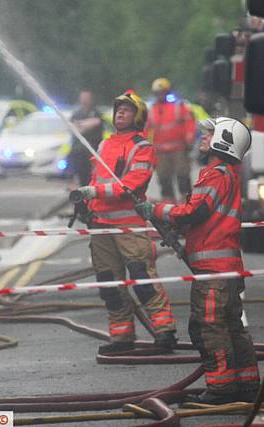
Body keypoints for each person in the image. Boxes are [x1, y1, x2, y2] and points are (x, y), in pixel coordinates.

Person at [135, 117, 260, 404]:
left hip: (212, 274)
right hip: (226, 270)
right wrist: (180, 228)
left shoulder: (215, 173)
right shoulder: (229, 173)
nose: (201, 138)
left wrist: (156, 210)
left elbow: (197, 211)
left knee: (208, 327)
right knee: (231, 327)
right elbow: (207, 217)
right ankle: (248, 385)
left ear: (223, 141)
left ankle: (221, 389)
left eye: (209, 134)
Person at [73, 90, 177, 355]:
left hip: (129, 226)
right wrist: (87, 204)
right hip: (101, 226)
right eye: (118, 108)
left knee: (142, 278)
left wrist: (94, 193)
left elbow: (131, 185)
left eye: (127, 110)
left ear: (137, 116)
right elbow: (97, 180)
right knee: (109, 282)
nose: (120, 112)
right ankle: (121, 336)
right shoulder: (104, 145)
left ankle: (165, 332)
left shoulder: (143, 148)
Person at [146, 77, 196, 202]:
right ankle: (168, 202)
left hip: (178, 148)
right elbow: (146, 128)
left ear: (168, 92)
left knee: (183, 175)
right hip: (160, 150)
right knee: (163, 177)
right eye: (157, 93)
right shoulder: (152, 109)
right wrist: (145, 145)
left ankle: (186, 200)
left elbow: (189, 122)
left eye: (162, 92)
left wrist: (190, 137)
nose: (160, 95)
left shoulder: (179, 106)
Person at [69, 90, 104, 186]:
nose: (84, 100)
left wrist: (80, 124)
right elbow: (73, 127)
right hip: (79, 153)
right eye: (83, 98)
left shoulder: (96, 113)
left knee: (92, 177)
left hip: (93, 152)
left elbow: (96, 122)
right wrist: (86, 124)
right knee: (81, 177)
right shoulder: (76, 114)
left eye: (86, 98)